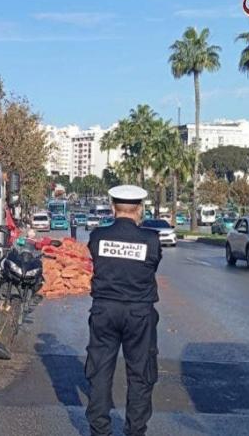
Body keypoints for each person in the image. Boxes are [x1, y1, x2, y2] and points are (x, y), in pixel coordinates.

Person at [85, 185, 162, 436]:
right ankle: (135, 431)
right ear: (139, 209)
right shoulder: (151, 239)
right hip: (139, 314)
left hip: (104, 311)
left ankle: (99, 431)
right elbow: (152, 266)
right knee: (140, 375)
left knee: (99, 372)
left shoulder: (98, 236)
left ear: (112, 207)